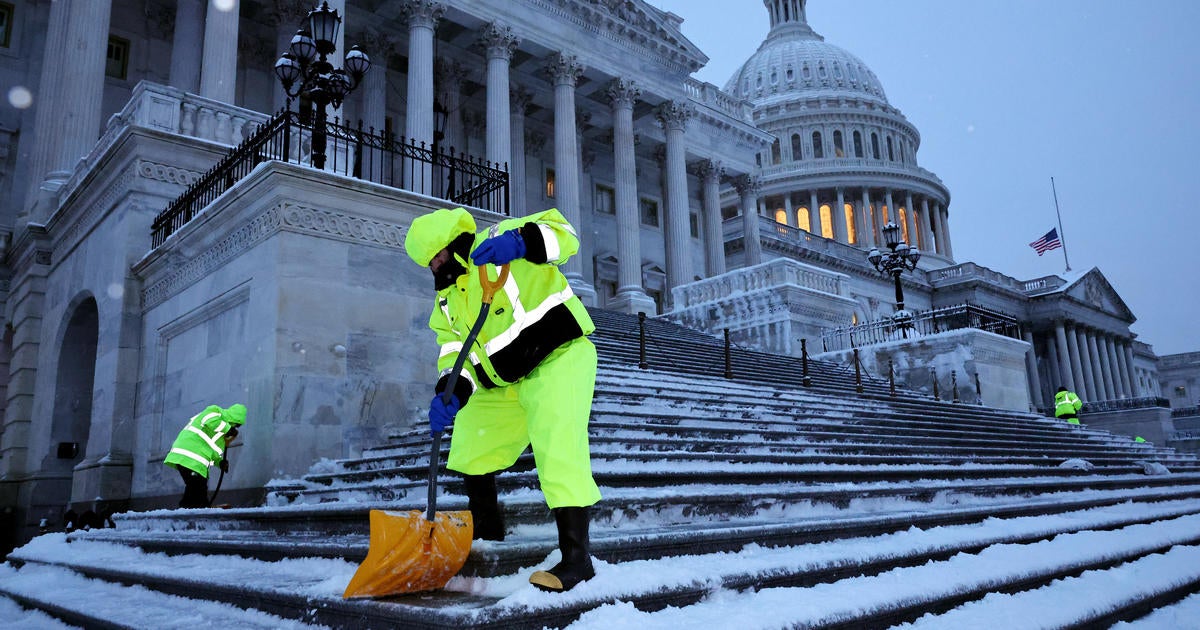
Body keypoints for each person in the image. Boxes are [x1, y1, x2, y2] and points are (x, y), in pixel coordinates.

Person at [404, 206, 602, 593]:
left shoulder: (502, 237)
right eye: (427, 263)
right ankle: (488, 536)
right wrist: (451, 392)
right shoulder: (446, 301)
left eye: (437, 257)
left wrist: (524, 242)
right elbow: (453, 351)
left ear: (453, 245)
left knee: (557, 442)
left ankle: (577, 559)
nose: (434, 268)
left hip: (558, 357)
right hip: (502, 382)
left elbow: (566, 236)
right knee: (470, 445)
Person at [163, 403, 246, 508]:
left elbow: (212, 452)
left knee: (199, 487)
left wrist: (220, 462)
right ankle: (189, 512)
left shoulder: (220, 436)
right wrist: (228, 429)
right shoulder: (215, 411)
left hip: (195, 461)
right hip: (188, 454)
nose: (235, 427)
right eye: (236, 424)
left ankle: (197, 510)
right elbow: (210, 421)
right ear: (233, 418)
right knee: (196, 486)